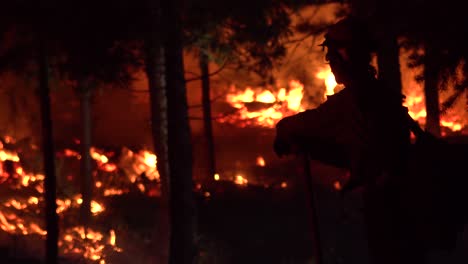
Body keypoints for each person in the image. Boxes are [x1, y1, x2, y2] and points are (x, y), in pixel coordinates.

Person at [273, 16, 423, 263]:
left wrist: (284, 130)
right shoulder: (382, 95)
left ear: (347, 55)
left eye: (333, 53)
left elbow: (309, 123)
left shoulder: (353, 102)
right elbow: (356, 147)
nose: (329, 60)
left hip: (384, 208)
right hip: (402, 205)